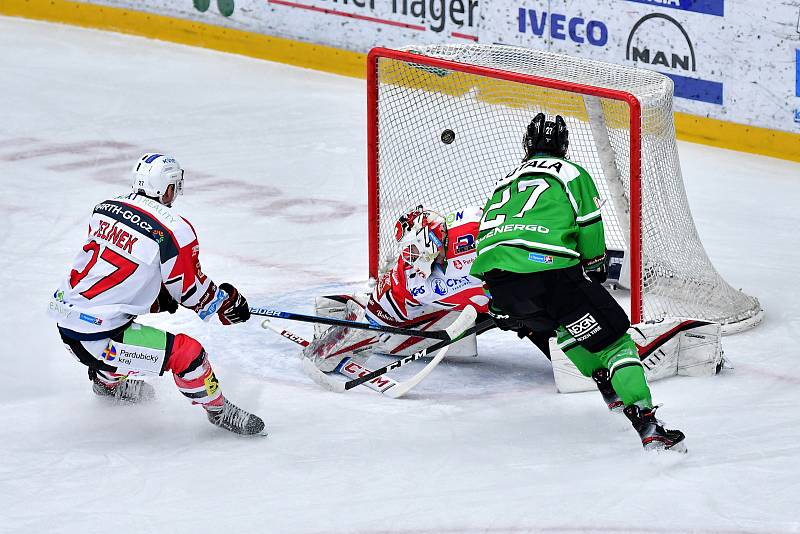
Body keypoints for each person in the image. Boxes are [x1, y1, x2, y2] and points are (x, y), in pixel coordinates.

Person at [469, 113, 686, 453]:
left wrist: (496, 299)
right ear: (564, 146)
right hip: (550, 274)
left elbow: (487, 239)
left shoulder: (504, 181)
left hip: (500, 284)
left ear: (527, 145)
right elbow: (589, 227)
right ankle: (648, 423)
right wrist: (596, 268)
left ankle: (603, 381)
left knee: (562, 325)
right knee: (615, 343)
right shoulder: (571, 172)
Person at [47, 153, 265, 436]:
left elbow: (116, 273)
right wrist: (225, 301)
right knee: (189, 354)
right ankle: (219, 410)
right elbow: (193, 294)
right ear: (168, 188)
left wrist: (159, 296)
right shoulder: (174, 230)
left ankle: (107, 381)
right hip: (98, 340)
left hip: (67, 322)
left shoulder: (105, 208)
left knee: (125, 331)